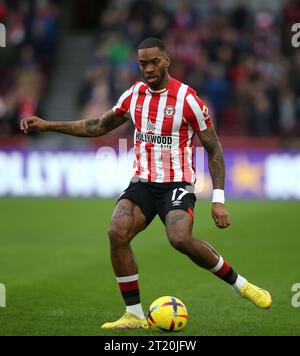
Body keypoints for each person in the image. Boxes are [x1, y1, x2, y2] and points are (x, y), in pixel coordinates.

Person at [20, 38, 272, 330]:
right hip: (142, 182)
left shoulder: (188, 100)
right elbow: (99, 125)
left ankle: (241, 285)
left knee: (179, 239)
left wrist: (218, 200)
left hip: (176, 183)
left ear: (167, 61)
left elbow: (214, 149)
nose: (149, 69)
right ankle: (134, 315)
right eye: (143, 64)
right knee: (116, 232)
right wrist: (48, 125)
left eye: (154, 62)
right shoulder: (134, 95)